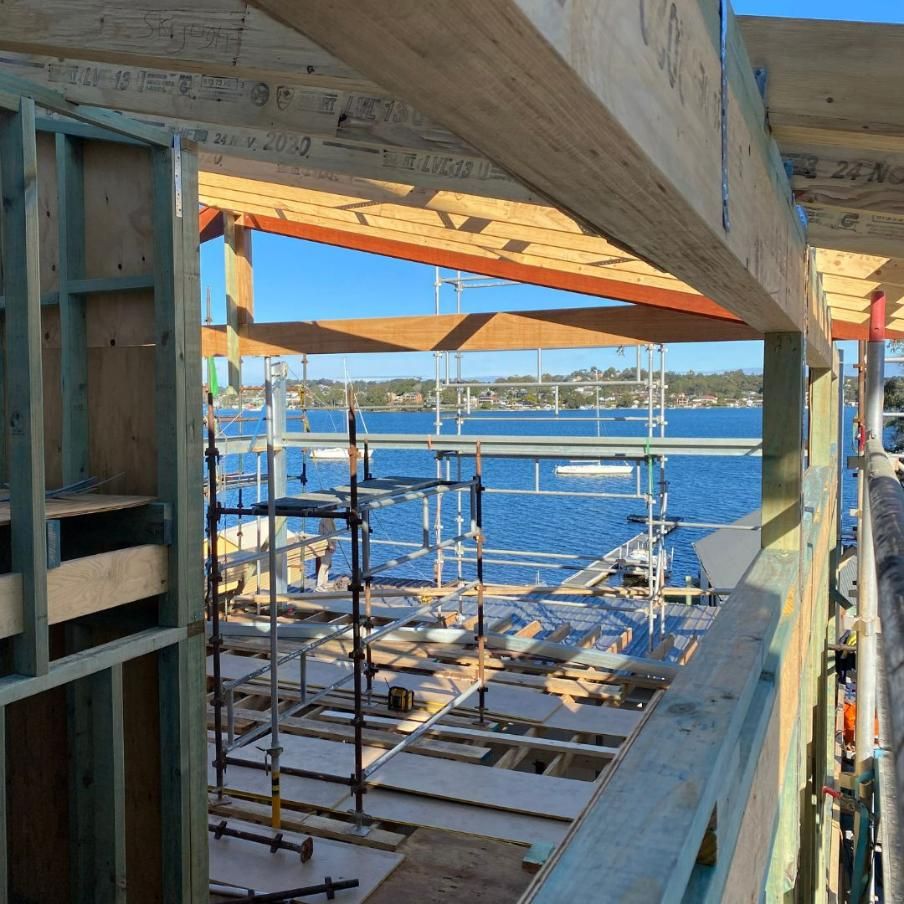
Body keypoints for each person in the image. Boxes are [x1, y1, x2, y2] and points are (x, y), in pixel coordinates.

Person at [315, 517, 337, 591]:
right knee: (324, 565)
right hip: (327, 545)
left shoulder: (328, 519)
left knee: (328, 564)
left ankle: (324, 582)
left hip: (328, 544)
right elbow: (327, 534)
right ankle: (319, 584)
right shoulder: (327, 520)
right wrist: (330, 544)